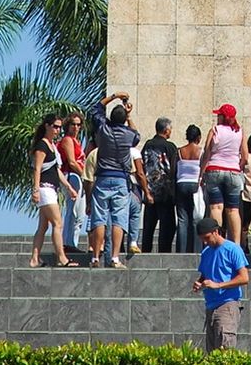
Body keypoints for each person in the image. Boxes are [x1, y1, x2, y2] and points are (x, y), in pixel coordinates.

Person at [90, 92, 140, 268]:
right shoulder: (128, 135)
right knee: (119, 219)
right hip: (121, 178)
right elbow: (137, 135)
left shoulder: (103, 130)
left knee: (99, 219)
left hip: (103, 177)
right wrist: (129, 115)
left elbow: (96, 109)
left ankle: (96, 257)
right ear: (124, 119)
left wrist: (114, 96)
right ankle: (115, 258)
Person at [28, 113, 79, 268]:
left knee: (43, 227)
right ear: (47, 126)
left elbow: (56, 170)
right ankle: (62, 258)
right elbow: (37, 168)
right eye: (55, 126)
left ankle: (35, 259)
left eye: (59, 127)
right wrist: (35, 190)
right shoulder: (42, 146)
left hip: (52, 189)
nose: (58, 130)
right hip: (45, 189)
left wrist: (68, 187)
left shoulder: (51, 146)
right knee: (58, 223)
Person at [192, 215, 250, 351]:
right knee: (212, 353)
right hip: (210, 307)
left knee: (225, 349)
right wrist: (199, 283)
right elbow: (206, 273)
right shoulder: (206, 252)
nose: (205, 242)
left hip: (227, 305)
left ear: (216, 232)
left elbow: (244, 277)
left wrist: (218, 285)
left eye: (207, 238)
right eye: (202, 239)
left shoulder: (233, 249)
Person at [200, 103, 247, 243]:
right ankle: (237, 244)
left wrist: (201, 173)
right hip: (233, 171)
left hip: (214, 169)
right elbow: (245, 156)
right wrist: (238, 167)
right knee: (233, 209)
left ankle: (216, 239)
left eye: (218, 115)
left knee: (216, 207)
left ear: (222, 117)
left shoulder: (215, 130)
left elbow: (207, 152)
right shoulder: (240, 132)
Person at [141, 117, 179, 253]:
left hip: (149, 191)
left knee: (148, 228)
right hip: (165, 193)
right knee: (167, 227)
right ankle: (164, 253)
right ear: (166, 130)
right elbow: (175, 169)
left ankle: (145, 252)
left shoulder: (147, 145)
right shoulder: (170, 147)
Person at [58, 112, 87, 254]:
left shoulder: (77, 141)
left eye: (78, 124)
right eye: (73, 124)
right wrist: (85, 175)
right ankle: (67, 242)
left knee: (80, 214)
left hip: (78, 177)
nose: (75, 127)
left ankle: (73, 242)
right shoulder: (67, 140)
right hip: (71, 175)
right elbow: (71, 161)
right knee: (73, 210)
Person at [175, 125, 202, 253]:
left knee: (182, 219)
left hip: (181, 183)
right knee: (195, 218)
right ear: (199, 137)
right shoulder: (201, 151)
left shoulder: (180, 151)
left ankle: (181, 250)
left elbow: (174, 169)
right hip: (195, 184)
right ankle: (196, 249)